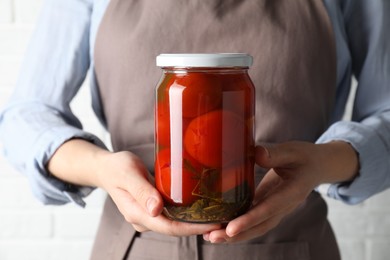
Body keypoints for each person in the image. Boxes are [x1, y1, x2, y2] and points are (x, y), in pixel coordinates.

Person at [0, 0, 389, 259]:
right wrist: (102, 167)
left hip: (291, 246)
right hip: (133, 249)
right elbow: (26, 115)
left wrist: (323, 162)